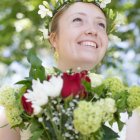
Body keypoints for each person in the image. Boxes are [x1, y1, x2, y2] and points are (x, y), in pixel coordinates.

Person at [0, 1, 140, 140]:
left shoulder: (129, 113)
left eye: (101, 24)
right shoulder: (18, 106)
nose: (93, 30)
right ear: (54, 38)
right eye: (78, 19)